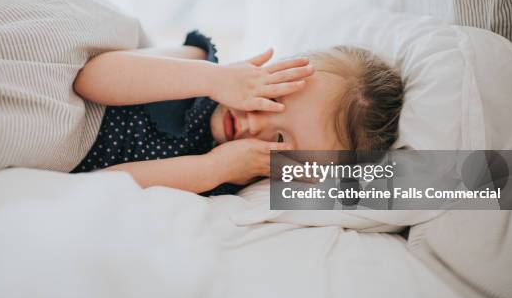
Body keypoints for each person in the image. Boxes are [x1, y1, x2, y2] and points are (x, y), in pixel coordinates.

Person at [71, 31, 404, 195]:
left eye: (279, 138)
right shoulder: (199, 69)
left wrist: (214, 167)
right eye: (273, 97)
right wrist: (213, 78)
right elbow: (90, 77)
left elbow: (97, 190)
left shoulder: (222, 180)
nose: (254, 121)